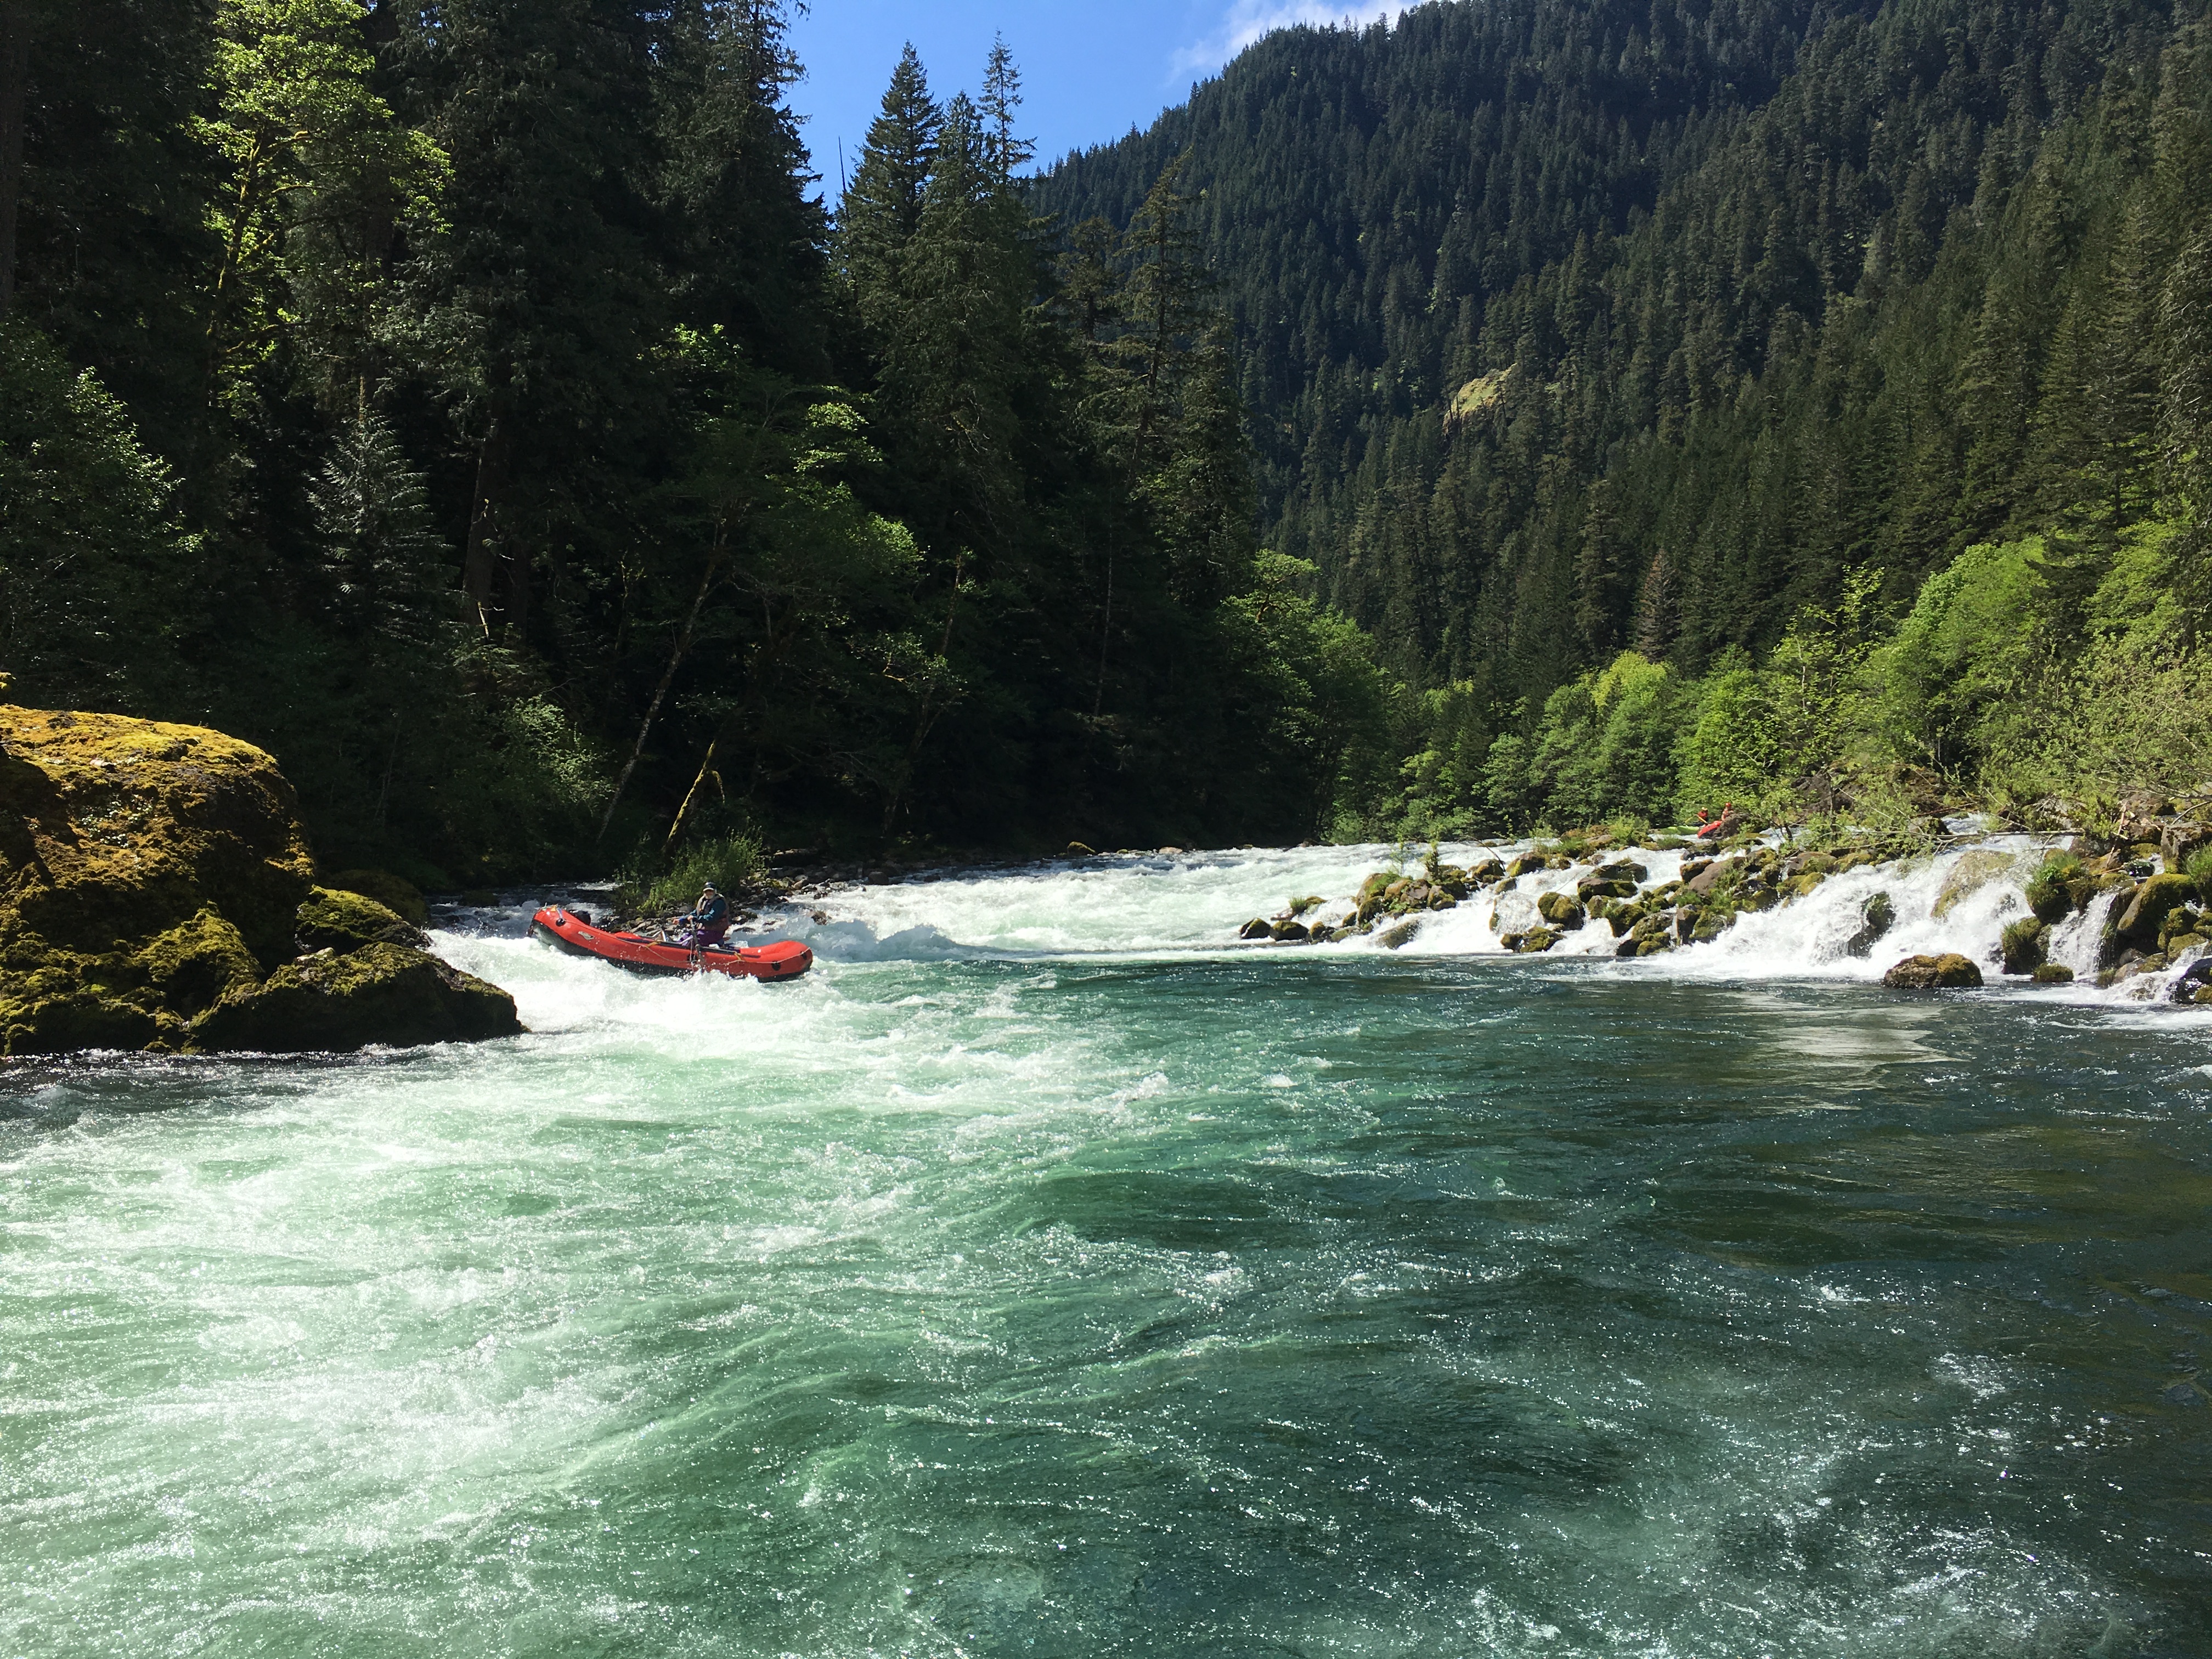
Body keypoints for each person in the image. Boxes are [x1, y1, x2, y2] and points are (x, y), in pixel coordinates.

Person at [682, 882, 731, 947]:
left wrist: (695, 919)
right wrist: (682, 919)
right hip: (705, 931)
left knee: (693, 940)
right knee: (686, 937)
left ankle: (683, 954)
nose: (709, 893)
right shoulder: (704, 902)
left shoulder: (719, 903)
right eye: (706, 891)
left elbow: (711, 918)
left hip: (715, 932)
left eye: (711, 891)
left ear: (715, 891)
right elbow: (695, 913)